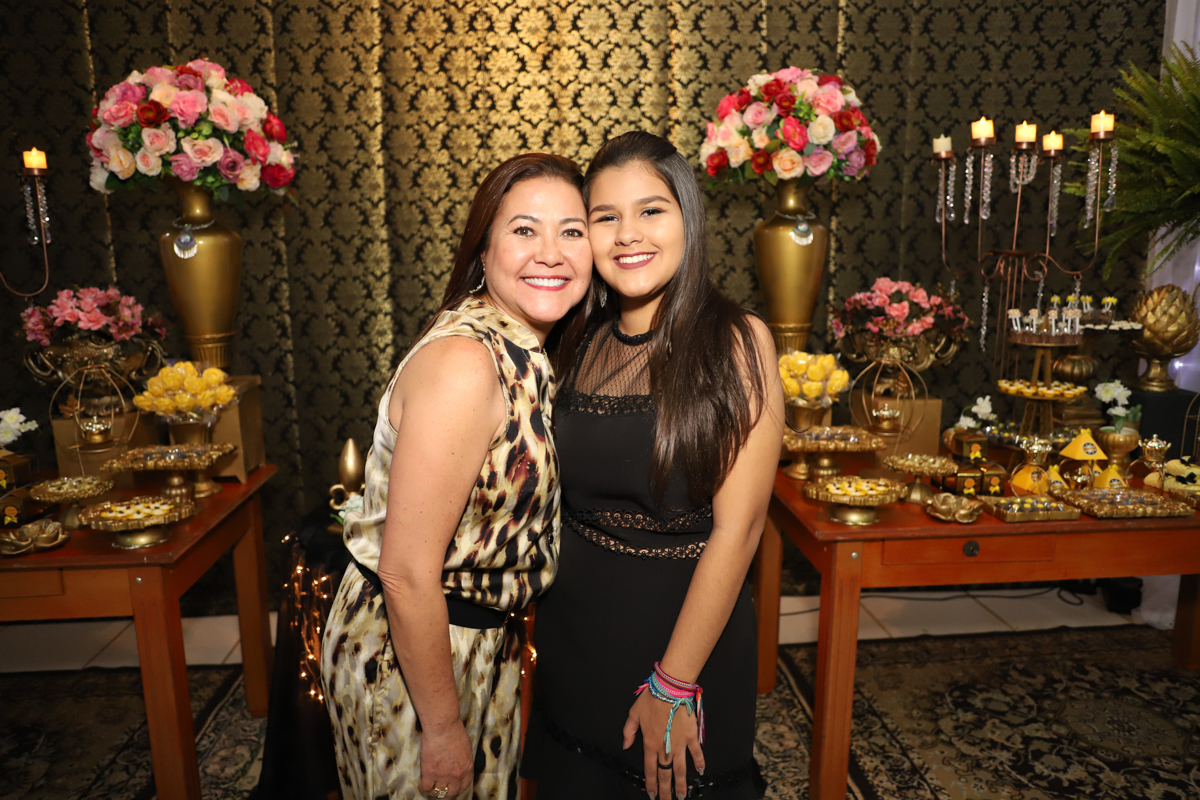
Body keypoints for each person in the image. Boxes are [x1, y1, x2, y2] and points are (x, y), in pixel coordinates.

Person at [320, 153, 592, 800]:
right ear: (484, 248)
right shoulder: (468, 363)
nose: (550, 253)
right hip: (409, 656)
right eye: (524, 230)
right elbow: (407, 571)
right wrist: (441, 728)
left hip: (472, 641)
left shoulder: (526, 344)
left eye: (571, 231)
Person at [523, 131, 783, 799]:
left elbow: (740, 528)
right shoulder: (576, 340)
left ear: (687, 217)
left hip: (684, 642)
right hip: (573, 638)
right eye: (605, 217)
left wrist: (673, 682)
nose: (627, 234)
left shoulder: (736, 341)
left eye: (650, 211)